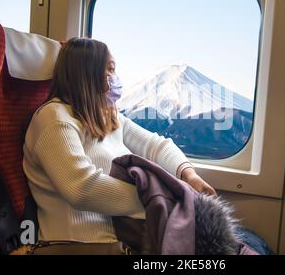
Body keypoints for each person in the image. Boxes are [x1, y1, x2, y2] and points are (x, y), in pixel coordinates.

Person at [23, 37, 216, 246]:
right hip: (83, 245)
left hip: (126, 238)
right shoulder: (54, 119)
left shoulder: (108, 116)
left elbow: (156, 146)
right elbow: (81, 189)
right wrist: (158, 199)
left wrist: (188, 175)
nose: (115, 78)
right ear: (88, 73)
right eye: (110, 70)